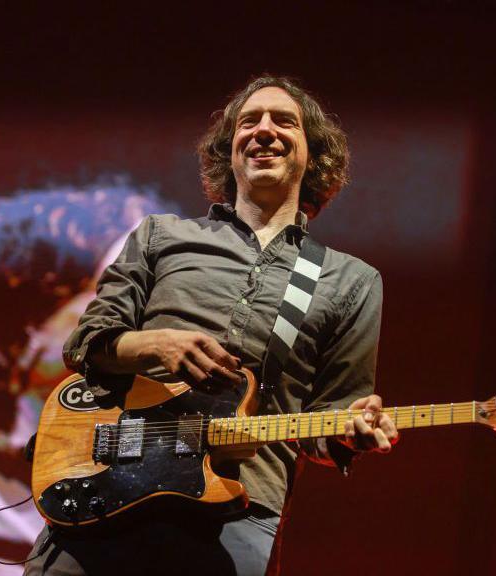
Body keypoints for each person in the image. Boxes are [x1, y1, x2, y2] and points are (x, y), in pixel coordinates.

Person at [24, 75, 398, 576]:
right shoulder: (162, 235)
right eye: (250, 121)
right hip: (104, 495)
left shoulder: (350, 280)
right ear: (230, 149)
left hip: (237, 512)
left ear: (315, 153)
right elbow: (87, 343)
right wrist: (154, 345)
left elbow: (326, 425)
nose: (264, 130)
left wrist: (350, 433)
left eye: (284, 121)